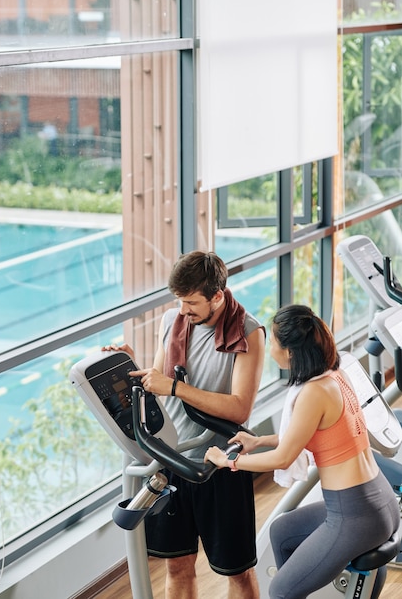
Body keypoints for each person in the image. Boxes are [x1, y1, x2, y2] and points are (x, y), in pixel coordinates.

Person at [205, 303, 401, 599]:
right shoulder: (334, 375)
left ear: (290, 352)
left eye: (273, 342)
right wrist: (257, 441)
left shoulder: (313, 393)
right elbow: (307, 434)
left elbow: (284, 457)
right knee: (283, 532)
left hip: (355, 513)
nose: (270, 350)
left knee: (281, 590)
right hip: (376, 499)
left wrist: (229, 461)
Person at [103, 251, 266, 599]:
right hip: (171, 457)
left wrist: (175, 387)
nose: (183, 311)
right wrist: (132, 363)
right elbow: (161, 382)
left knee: (236, 570)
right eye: (179, 301)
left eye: (191, 302)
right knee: (177, 564)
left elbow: (239, 408)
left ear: (217, 296)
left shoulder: (250, 333)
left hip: (220, 463)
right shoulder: (171, 322)